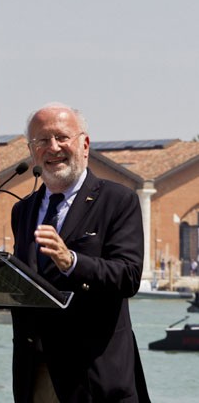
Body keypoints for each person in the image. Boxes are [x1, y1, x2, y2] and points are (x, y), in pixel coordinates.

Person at [10, 103, 149, 402]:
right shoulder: (22, 210)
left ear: (84, 144)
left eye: (62, 137)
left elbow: (129, 277)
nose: (53, 147)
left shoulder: (118, 200)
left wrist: (71, 261)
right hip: (35, 373)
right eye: (42, 141)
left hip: (94, 376)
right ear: (32, 151)